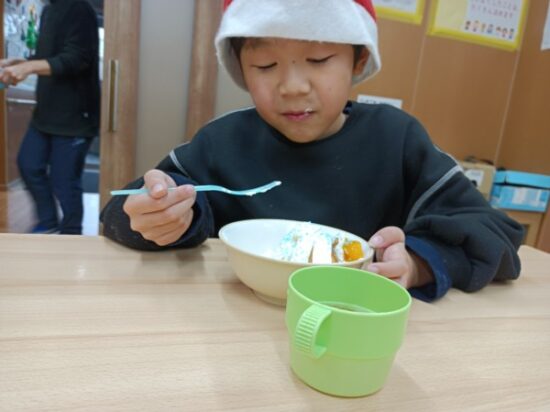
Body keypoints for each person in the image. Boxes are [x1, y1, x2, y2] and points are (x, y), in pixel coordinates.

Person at [100, 0, 523, 301]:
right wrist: (160, 215)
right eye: (265, 66)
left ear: (358, 61)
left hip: (355, 332)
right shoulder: (221, 143)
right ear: (240, 70)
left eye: (318, 59)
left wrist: (417, 263)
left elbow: (493, 232)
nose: (292, 86)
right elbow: (123, 212)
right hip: (236, 329)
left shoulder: (397, 140)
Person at [0, 0, 100, 234]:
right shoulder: (49, 10)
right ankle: (48, 224)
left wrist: (29, 68)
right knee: (29, 165)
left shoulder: (79, 8)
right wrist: (20, 63)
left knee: (64, 182)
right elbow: (49, 56)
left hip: (75, 117)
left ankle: (71, 233)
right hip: (45, 114)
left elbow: (77, 58)